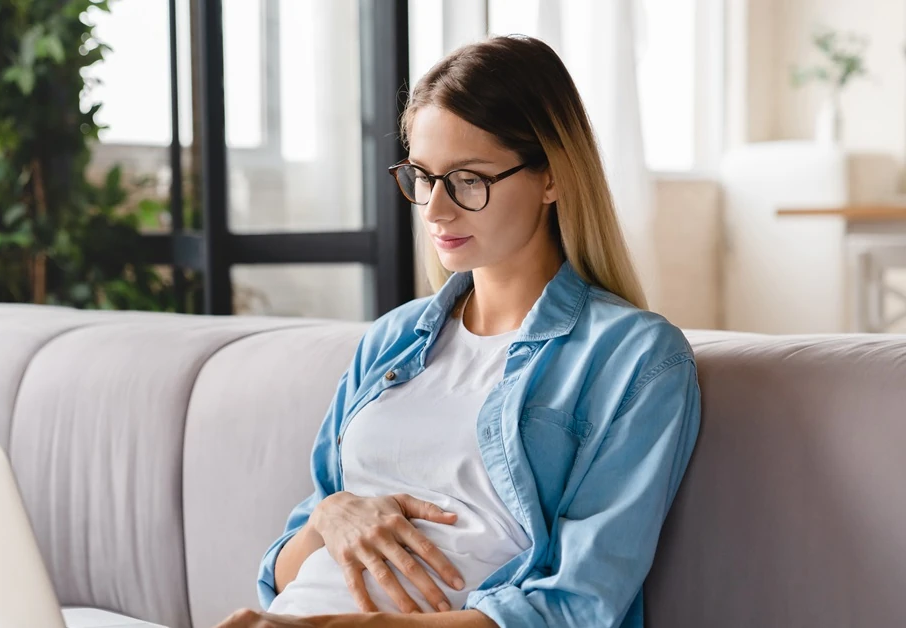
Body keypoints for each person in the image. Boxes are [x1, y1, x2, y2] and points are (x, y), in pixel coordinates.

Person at [216, 35, 701, 628]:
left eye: (469, 180)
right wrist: (329, 516)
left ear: (553, 177)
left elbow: (579, 604)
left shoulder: (633, 357)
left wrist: (363, 626)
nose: (436, 210)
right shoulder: (390, 341)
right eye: (423, 177)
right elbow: (283, 578)